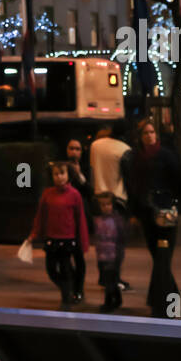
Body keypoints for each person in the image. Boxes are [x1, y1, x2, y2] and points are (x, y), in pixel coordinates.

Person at [123, 120, 181, 317]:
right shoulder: (136, 158)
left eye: (152, 132)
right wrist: (134, 213)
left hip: (165, 214)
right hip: (148, 215)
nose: (149, 136)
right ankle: (165, 303)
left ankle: (165, 305)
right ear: (140, 137)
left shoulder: (166, 156)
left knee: (163, 260)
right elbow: (134, 188)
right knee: (159, 259)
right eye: (145, 133)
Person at [27, 160, 89, 309]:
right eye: (56, 174)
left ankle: (67, 296)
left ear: (68, 175)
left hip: (68, 239)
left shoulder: (75, 195)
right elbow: (40, 215)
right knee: (51, 269)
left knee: (66, 267)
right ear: (52, 176)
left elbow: (80, 219)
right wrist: (34, 233)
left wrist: (83, 240)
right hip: (52, 238)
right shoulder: (47, 194)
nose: (59, 177)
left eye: (62, 173)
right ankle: (69, 288)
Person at [90, 122, 132, 289]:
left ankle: (104, 276)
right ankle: (114, 278)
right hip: (117, 200)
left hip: (98, 197)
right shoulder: (125, 149)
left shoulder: (95, 145)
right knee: (117, 244)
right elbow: (128, 178)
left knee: (102, 243)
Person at [65, 137, 93, 300]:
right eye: (71, 148)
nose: (74, 152)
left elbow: (90, 190)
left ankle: (79, 288)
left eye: (77, 149)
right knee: (65, 256)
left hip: (81, 216)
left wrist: (80, 175)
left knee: (79, 255)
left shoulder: (87, 169)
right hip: (66, 218)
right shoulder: (63, 168)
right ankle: (71, 285)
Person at [93, 191, 127, 311]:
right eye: (102, 205)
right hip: (102, 256)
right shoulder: (98, 220)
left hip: (113, 256)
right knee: (108, 280)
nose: (105, 207)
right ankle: (117, 299)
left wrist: (119, 255)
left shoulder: (116, 220)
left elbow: (121, 239)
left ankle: (108, 303)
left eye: (108, 204)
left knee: (110, 281)